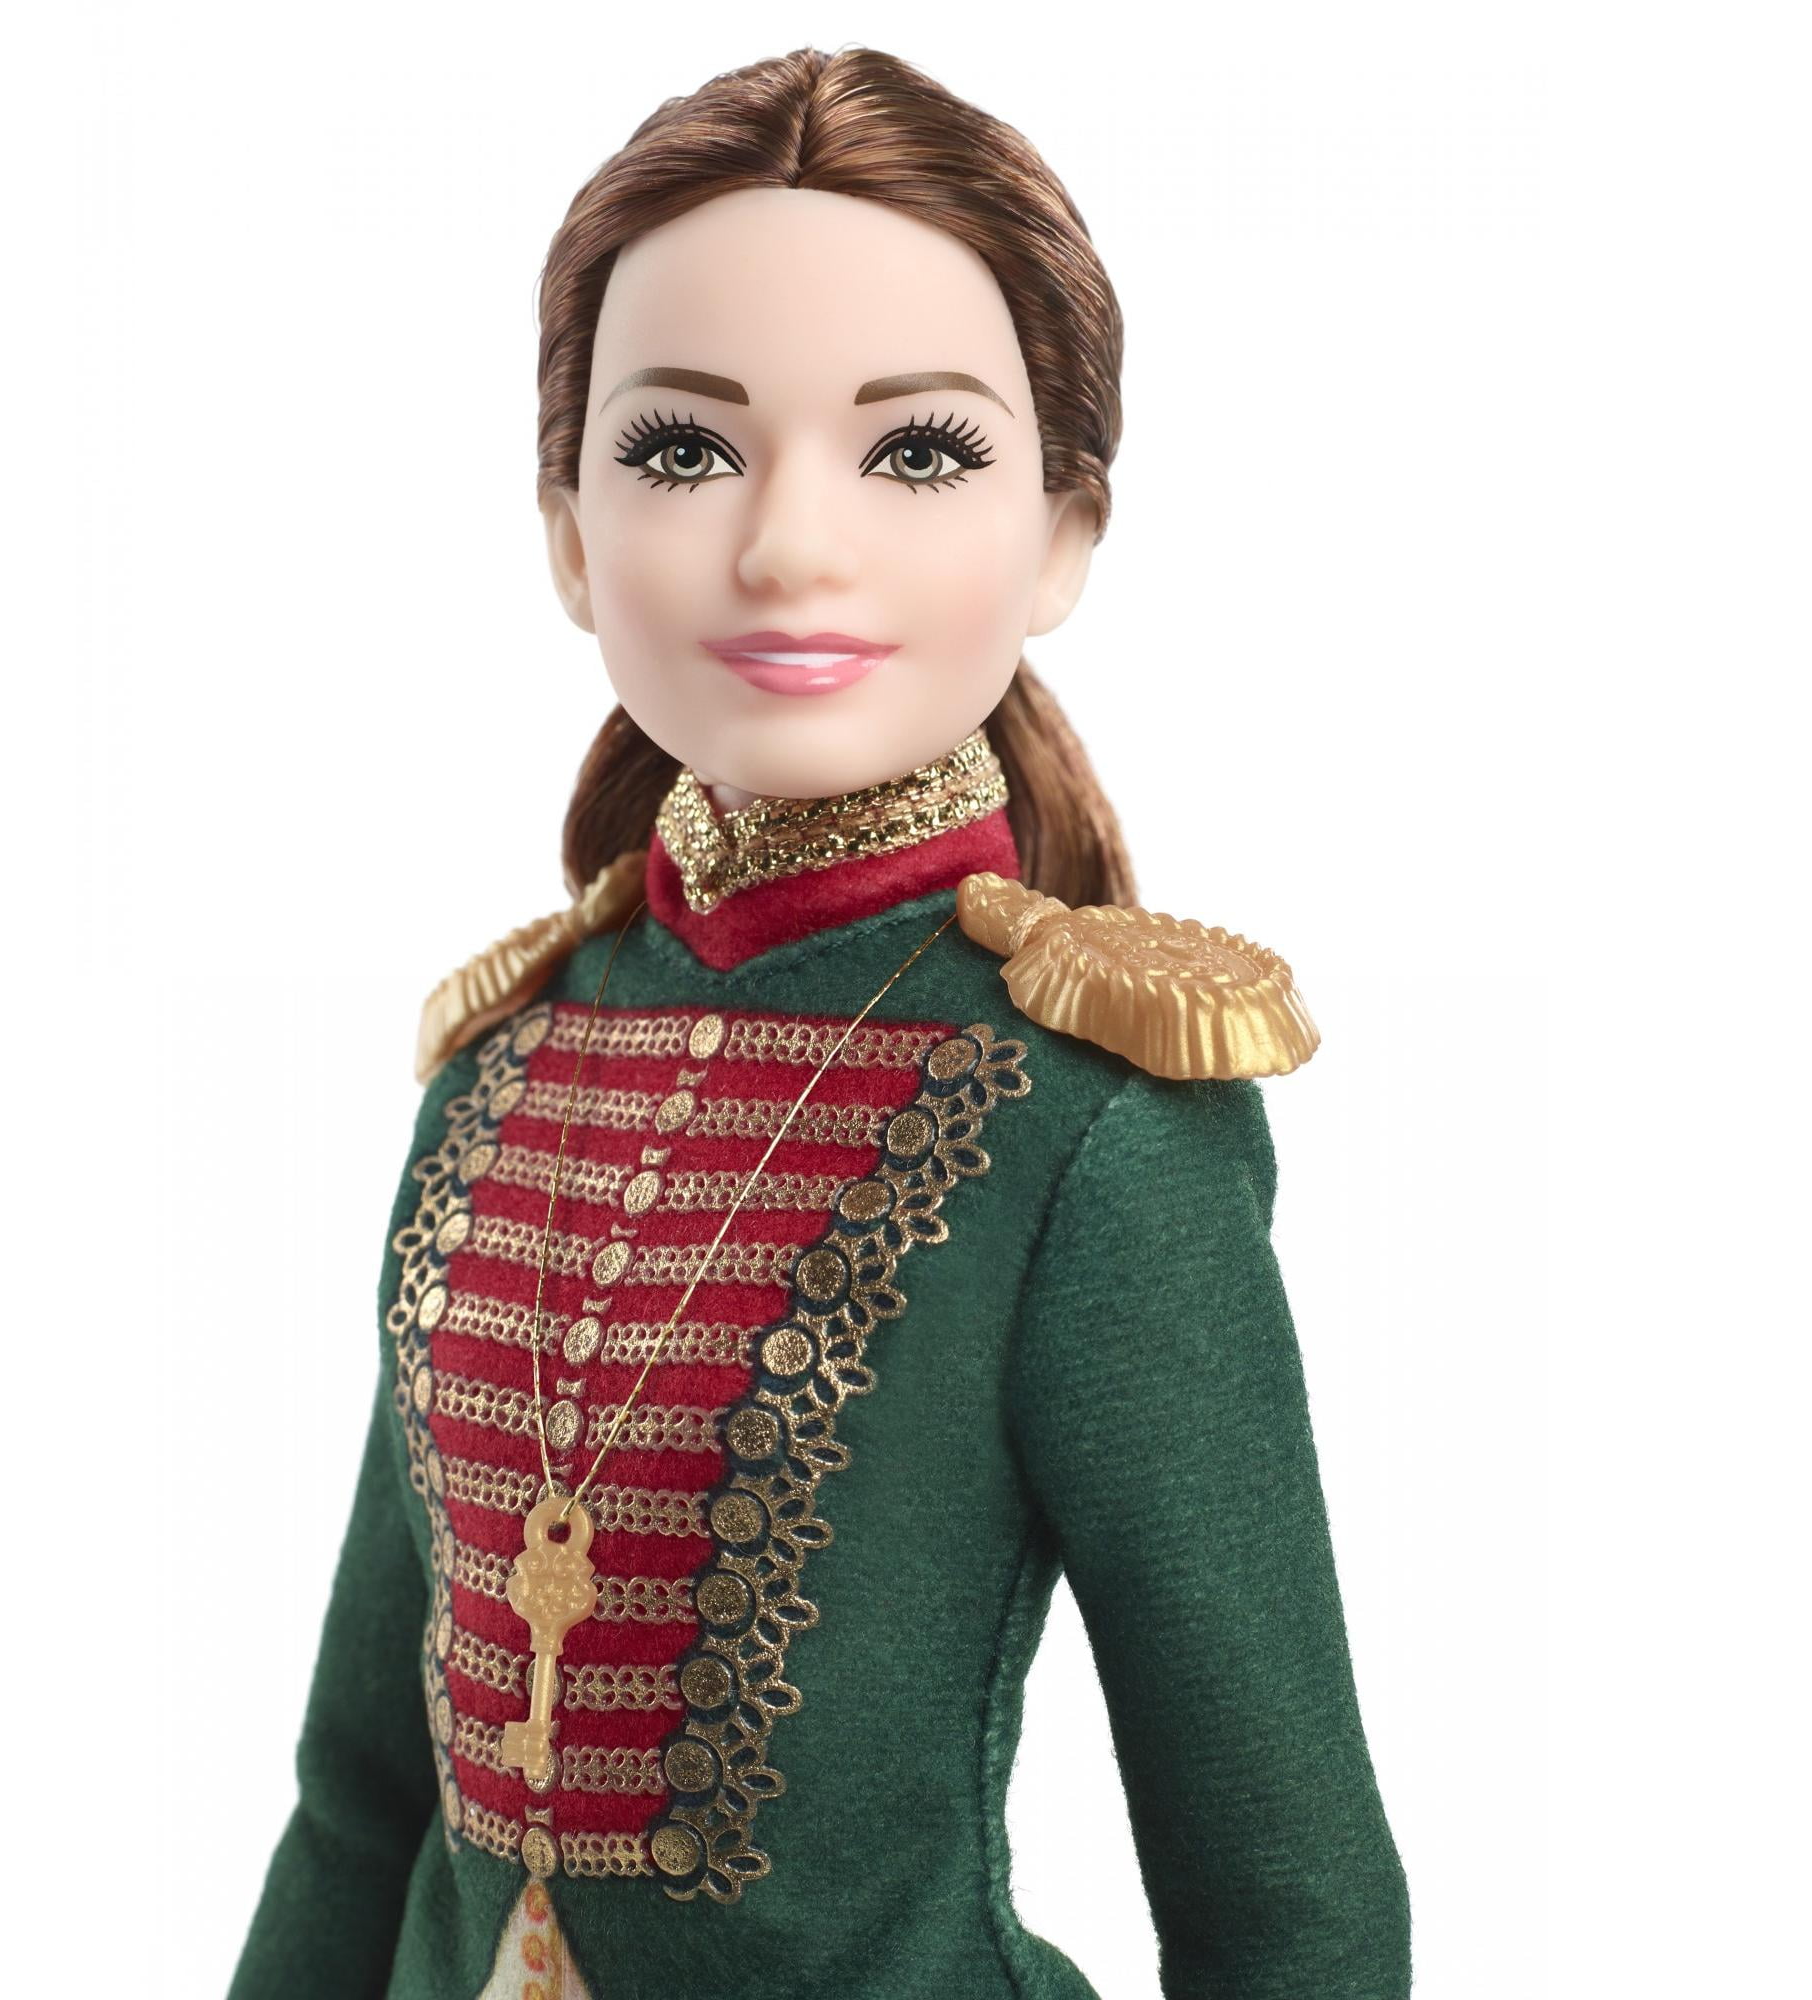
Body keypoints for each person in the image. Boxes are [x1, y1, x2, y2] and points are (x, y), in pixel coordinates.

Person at [229, 45, 1410, 2000]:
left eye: (917, 452)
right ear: (565, 528)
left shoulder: (1088, 1120)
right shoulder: (501, 1066)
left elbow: (1289, 1899)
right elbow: (359, 1804)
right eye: (681, 451)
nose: (788, 544)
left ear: (1063, 531)